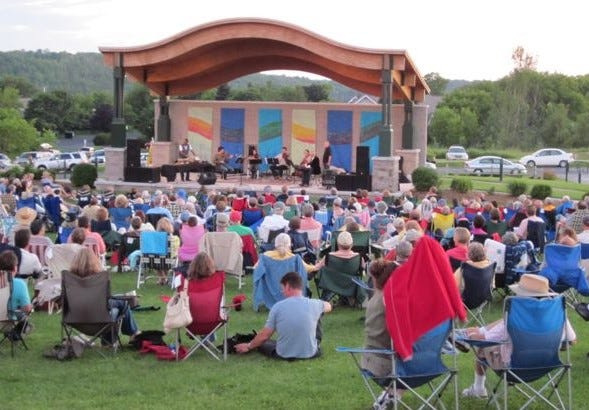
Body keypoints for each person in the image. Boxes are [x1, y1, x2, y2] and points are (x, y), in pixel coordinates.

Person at [460, 274, 576, 399]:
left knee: (482, 348)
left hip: (512, 368)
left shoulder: (514, 319)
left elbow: (485, 339)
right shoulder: (556, 315)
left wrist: (469, 336)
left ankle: (478, 388)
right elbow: (572, 340)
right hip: (547, 365)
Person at [235, 271, 332, 360]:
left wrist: (249, 346)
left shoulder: (277, 307)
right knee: (318, 313)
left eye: (282, 288)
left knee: (263, 343)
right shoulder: (315, 304)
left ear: (288, 287)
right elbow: (328, 306)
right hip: (311, 353)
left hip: (284, 354)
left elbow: (265, 335)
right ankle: (310, 344)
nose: (282, 292)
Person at [69, 248, 141, 343]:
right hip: (98, 319)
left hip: (75, 318)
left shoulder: (69, 278)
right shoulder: (100, 277)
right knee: (122, 303)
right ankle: (134, 334)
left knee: (117, 304)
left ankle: (116, 339)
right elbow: (106, 299)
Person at [361, 259, 398, 409]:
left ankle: (387, 398)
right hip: (389, 363)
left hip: (370, 359)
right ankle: (389, 397)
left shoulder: (376, 299)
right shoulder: (390, 299)